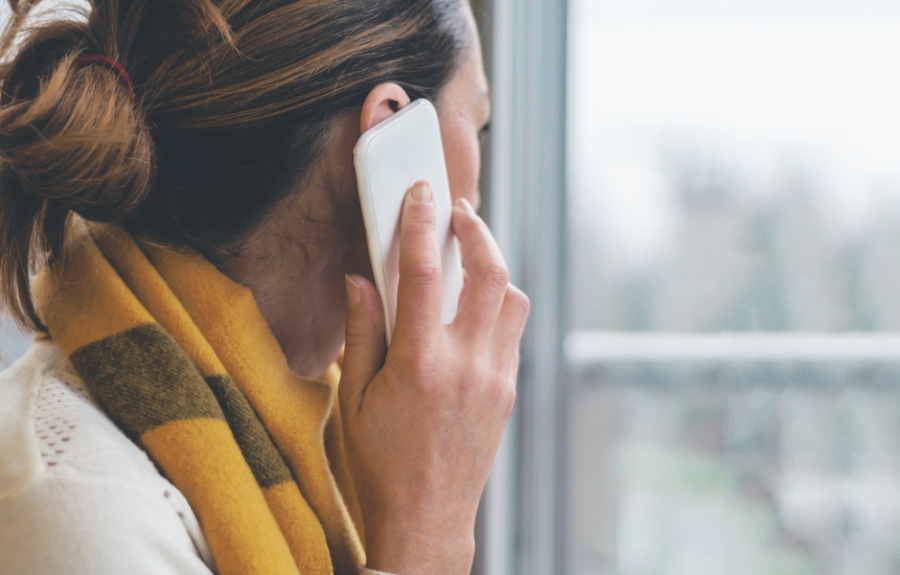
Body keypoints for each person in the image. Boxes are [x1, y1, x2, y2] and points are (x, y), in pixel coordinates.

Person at [0, 0, 529, 574]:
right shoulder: (81, 510)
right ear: (391, 131)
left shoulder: (327, 429)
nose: (475, 196)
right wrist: (426, 538)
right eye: (479, 124)